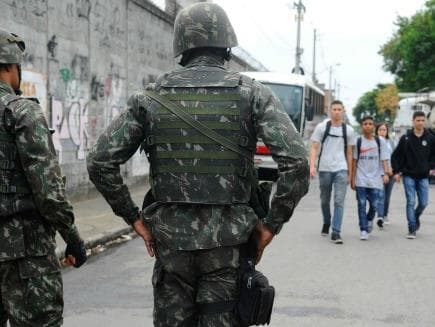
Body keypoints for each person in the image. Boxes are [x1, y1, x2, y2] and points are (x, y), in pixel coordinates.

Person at [87, 3, 309, 326]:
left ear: (181, 46)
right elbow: (298, 163)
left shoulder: (149, 97)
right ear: (227, 45)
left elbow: (99, 161)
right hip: (228, 250)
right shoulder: (252, 94)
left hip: (171, 251)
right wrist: (269, 226)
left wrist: (134, 218)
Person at [0, 29, 87, 326]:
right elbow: (49, 192)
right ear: (11, 66)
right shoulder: (21, 112)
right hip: (25, 254)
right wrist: (73, 240)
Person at [309, 100, 356, 244]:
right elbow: (315, 147)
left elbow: (349, 153)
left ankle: (336, 232)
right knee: (324, 200)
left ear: (343, 111)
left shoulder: (348, 130)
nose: (336, 112)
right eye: (334, 109)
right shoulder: (322, 127)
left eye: (339, 109)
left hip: (341, 168)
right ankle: (326, 221)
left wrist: (350, 173)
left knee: (339, 201)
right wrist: (312, 165)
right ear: (330, 111)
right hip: (325, 168)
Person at [391, 111, 435, 239]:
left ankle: (415, 216)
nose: (420, 123)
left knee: (423, 203)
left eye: (422, 120)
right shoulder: (406, 138)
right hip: (408, 175)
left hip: (423, 176)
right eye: (418, 120)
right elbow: (395, 156)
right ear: (413, 121)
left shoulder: (431, 138)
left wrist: (432, 167)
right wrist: (397, 171)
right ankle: (412, 228)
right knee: (410, 201)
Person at [351, 116, 390, 241]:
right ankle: (363, 229)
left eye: (370, 124)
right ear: (362, 126)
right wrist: (352, 178)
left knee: (374, 205)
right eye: (365, 123)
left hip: (375, 180)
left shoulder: (380, 141)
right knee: (361, 204)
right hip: (361, 179)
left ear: (373, 126)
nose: (368, 125)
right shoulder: (358, 141)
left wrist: (386, 174)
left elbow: (384, 158)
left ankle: (368, 220)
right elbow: (354, 161)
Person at [375, 123, 395, 228]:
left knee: (387, 196)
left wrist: (396, 171)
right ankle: (380, 217)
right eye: (380, 130)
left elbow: (395, 156)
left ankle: (385, 214)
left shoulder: (390, 142)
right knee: (381, 195)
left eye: (384, 130)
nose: (382, 132)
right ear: (377, 131)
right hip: (380, 173)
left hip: (391, 172)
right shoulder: (374, 142)